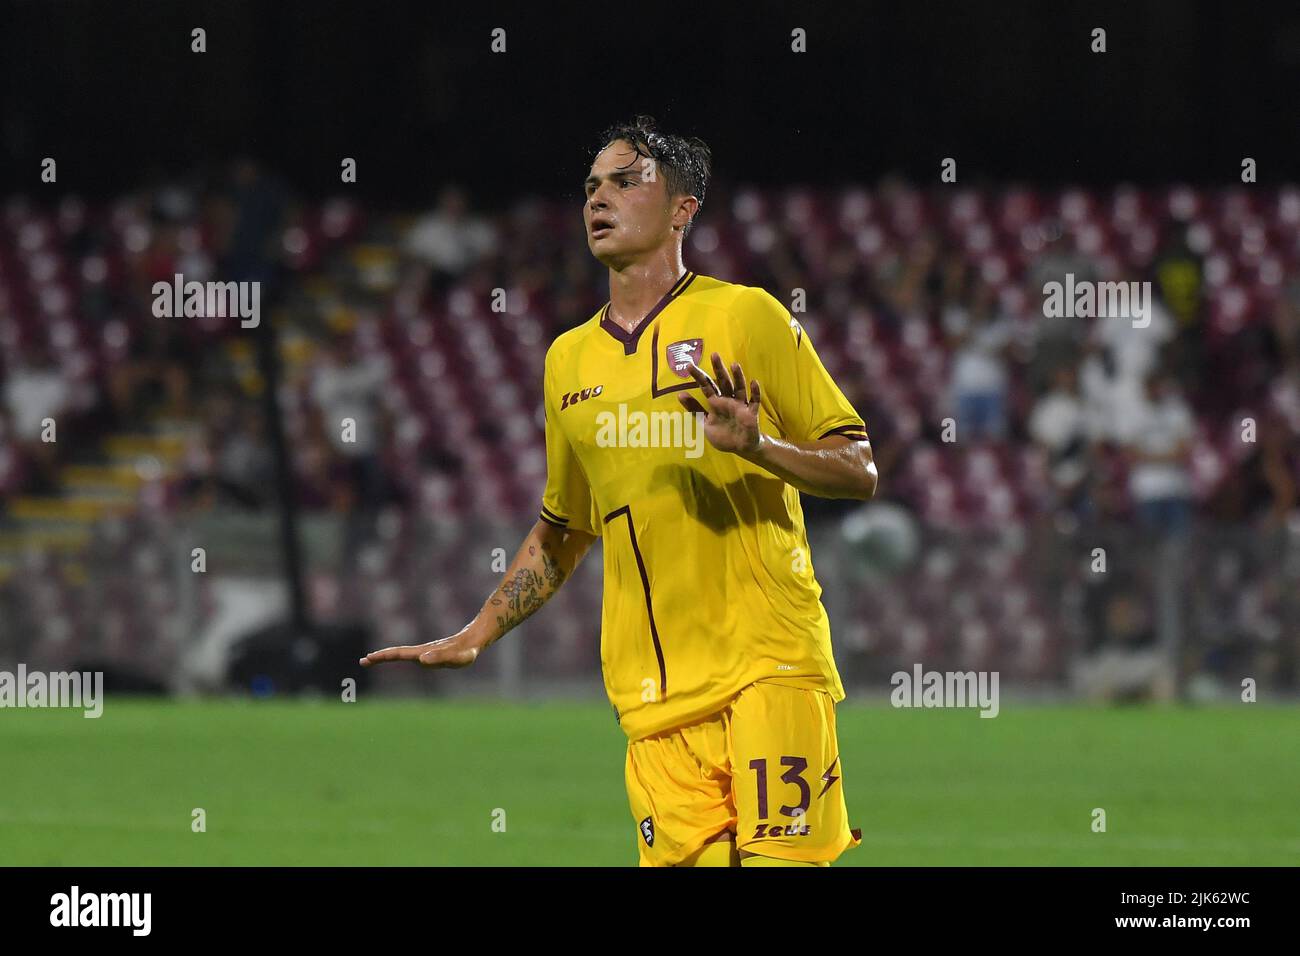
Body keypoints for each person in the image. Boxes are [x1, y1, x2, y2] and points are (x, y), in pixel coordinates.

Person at [360, 116, 877, 867]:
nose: (599, 198)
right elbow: (563, 528)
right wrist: (476, 632)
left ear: (681, 209)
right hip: (652, 701)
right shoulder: (568, 361)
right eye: (591, 186)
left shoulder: (746, 316)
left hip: (768, 666)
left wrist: (761, 447)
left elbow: (857, 465)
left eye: (626, 180)